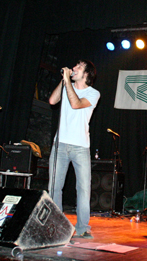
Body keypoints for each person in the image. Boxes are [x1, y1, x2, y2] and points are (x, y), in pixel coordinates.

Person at [48, 59, 100, 239]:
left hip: (80, 147)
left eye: (78, 67)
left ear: (86, 74)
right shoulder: (66, 86)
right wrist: (64, 81)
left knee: (83, 188)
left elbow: (76, 104)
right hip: (60, 144)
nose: (74, 68)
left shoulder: (93, 93)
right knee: (54, 186)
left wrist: (68, 84)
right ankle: (56, 224)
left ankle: (83, 227)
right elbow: (52, 100)